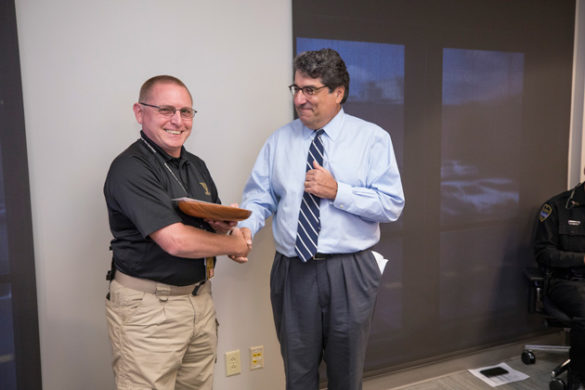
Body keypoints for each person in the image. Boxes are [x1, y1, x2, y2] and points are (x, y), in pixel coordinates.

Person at [237, 49, 405, 390]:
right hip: (293, 268)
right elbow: (260, 196)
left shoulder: (372, 139)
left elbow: (391, 205)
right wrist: (245, 227)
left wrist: (337, 191)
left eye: (310, 90)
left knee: (345, 374)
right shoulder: (279, 141)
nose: (300, 99)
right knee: (298, 373)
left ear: (338, 92)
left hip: (350, 271)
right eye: (296, 89)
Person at [103, 75, 250, 390]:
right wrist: (233, 244)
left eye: (186, 112)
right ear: (140, 112)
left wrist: (224, 230)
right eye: (166, 110)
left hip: (198, 301)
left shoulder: (195, 165)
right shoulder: (130, 168)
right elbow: (175, 240)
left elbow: (207, 222)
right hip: (149, 309)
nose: (177, 120)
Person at [535, 182, 585, 389]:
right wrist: (582, 259)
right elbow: (543, 253)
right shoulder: (557, 207)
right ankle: (578, 376)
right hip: (567, 280)